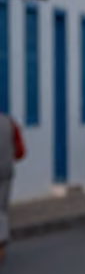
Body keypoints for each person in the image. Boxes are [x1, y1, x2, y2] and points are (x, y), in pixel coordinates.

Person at [0, 112, 26, 265]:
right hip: (5, 172)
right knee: (2, 210)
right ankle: (1, 247)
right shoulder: (10, 123)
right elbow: (20, 151)